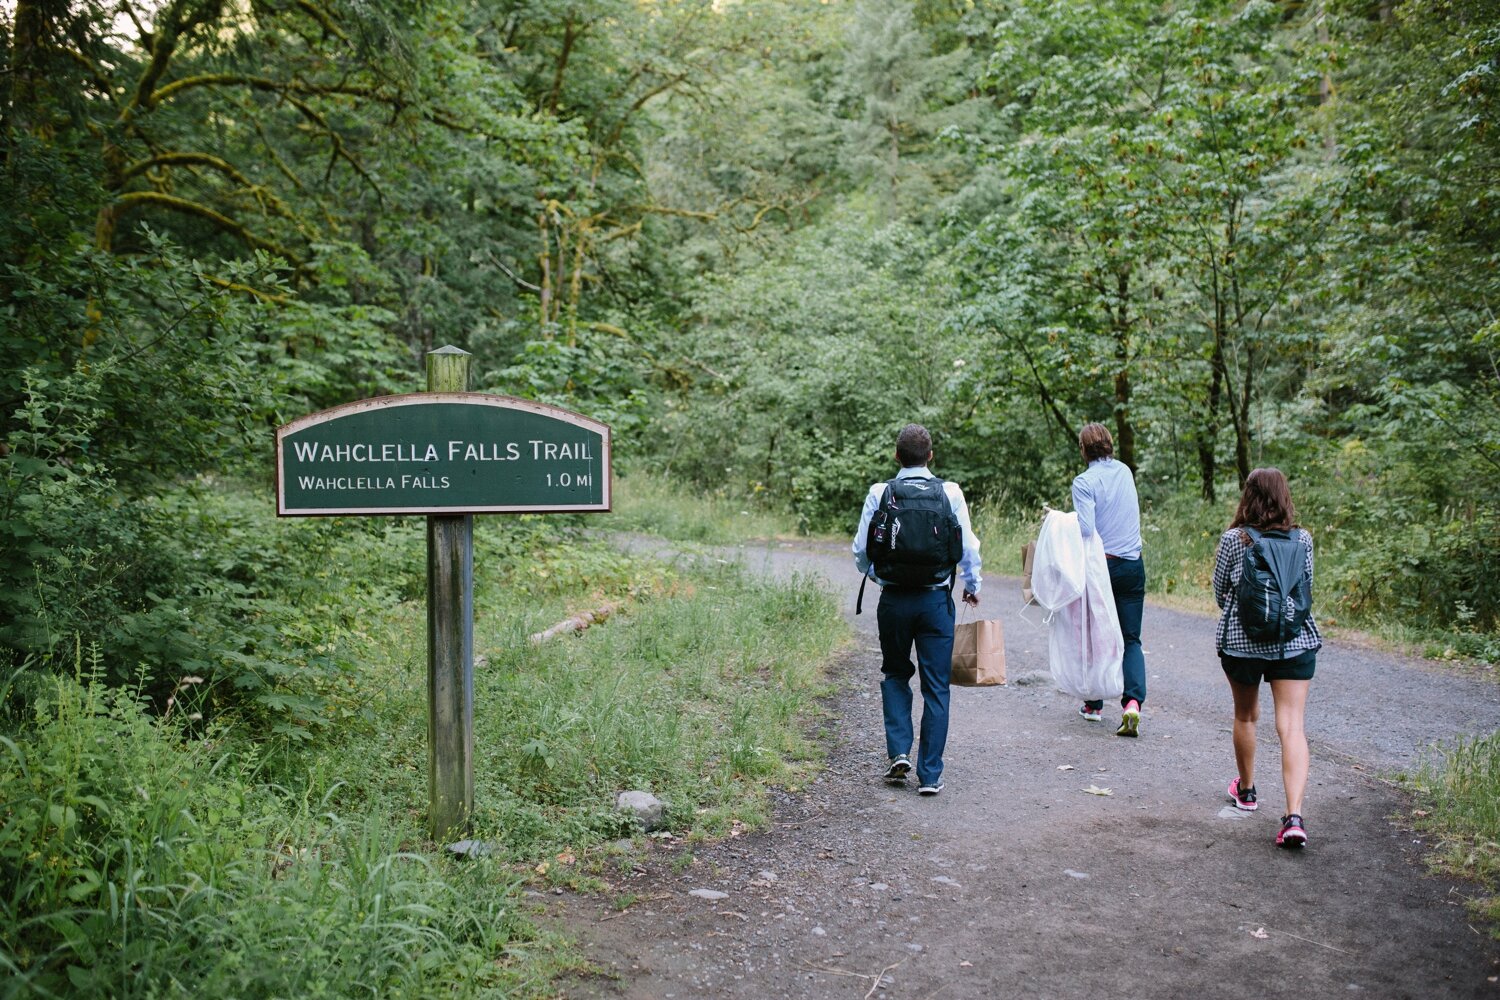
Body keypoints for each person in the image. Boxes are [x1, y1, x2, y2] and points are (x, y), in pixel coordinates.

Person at [853, 424, 982, 796]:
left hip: (894, 600)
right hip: (934, 601)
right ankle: (929, 775)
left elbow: (861, 552)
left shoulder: (881, 492)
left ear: (897, 456)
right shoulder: (950, 492)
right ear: (930, 456)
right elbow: (968, 547)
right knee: (937, 686)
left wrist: (881, 576)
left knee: (895, 673)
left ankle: (898, 752)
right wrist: (972, 587)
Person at [1214, 468, 1321, 849]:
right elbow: (1305, 585)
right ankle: (1294, 818)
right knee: (1291, 725)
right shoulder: (1302, 539)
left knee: (1246, 715)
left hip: (1242, 644)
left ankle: (1246, 792)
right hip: (1293, 642)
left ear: (1248, 496)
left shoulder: (1233, 539)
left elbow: (1221, 590)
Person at [1070, 422, 1146, 736]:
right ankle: (1132, 704)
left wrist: (1061, 523)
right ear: (1110, 445)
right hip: (1132, 566)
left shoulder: (1083, 482)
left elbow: (1086, 531)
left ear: (1084, 450)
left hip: (1102, 569)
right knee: (1131, 639)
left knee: (1095, 634)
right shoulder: (1125, 471)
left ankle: (1093, 704)